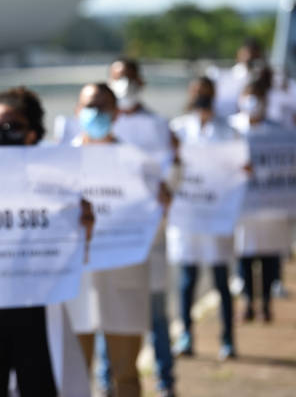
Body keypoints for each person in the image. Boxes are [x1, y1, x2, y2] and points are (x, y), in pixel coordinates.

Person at [0, 86, 94, 397]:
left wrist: (82, 224)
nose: (2, 134)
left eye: (12, 126)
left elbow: (73, 254)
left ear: (32, 133)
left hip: (36, 309)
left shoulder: (57, 185)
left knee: (40, 385)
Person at [65, 82, 168, 397]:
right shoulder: (59, 162)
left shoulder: (138, 163)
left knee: (126, 377)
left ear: (117, 112)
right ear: (77, 111)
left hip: (123, 275)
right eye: (89, 106)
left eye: (103, 106)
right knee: (74, 376)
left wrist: (163, 202)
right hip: (75, 282)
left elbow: (156, 221)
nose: (96, 113)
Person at [89, 59, 177, 397]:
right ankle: (105, 382)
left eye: (128, 77)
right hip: (101, 250)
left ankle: (165, 379)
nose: (123, 83)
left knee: (152, 316)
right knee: (101, 318)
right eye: (117, 78)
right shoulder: (80, 143)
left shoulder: (157, 126)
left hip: (142, 242)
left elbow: (166, 176)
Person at [168, 76, 238, 361]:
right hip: (189, 217)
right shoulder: (178, 129)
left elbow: (238, 169)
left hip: (216, 217)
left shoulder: (228, 131)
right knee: (187, 281)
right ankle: (186, 335)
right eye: (196, 92)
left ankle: (228, 339)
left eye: (206, 92)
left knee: (222, 281)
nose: (201, 97)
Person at [229, 72, 290, 322]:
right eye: (248, 97)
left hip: (272, 208)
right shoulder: (232, 128)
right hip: (243, 207)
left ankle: (265, 302)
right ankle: (247, 300)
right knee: (244, 255)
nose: (252, 102)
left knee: (268, 258)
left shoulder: (281, 132)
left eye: (257, 97)